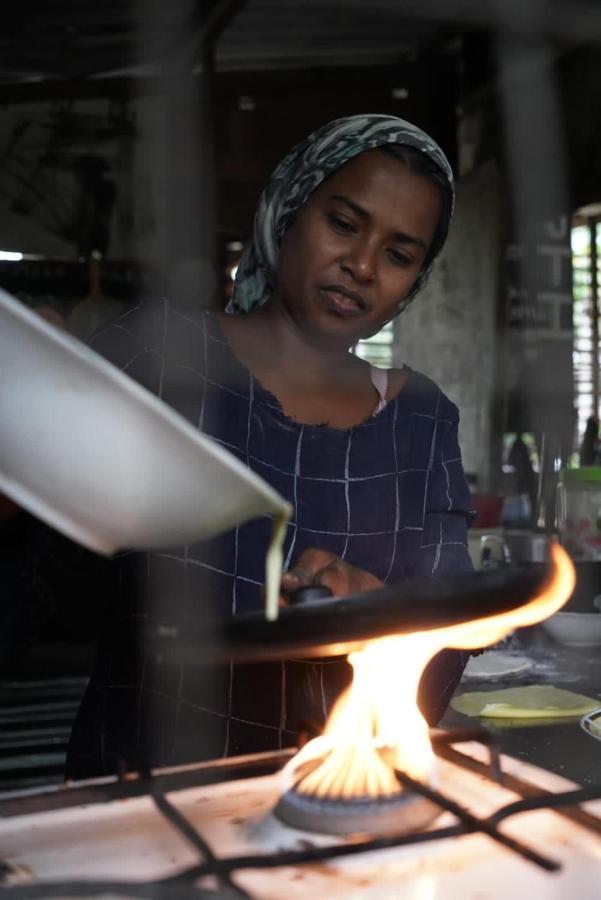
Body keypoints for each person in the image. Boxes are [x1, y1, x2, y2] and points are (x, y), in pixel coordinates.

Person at [66, 114, 474, 780]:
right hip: (138, 800)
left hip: (334, 806)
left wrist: (378, 612)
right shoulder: (161, 354)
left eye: (399, 254)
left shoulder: (420, 418)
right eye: (343, 224)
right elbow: (43, 569)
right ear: (290, 207)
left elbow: (450, 643)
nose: (362, 266)